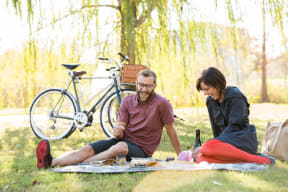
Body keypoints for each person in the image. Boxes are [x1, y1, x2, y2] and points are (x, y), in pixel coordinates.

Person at [36, 69, 182, 168]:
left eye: (148, 86)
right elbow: (120, 129)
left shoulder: (162, 104)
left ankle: (78, 164)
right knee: (88, 149)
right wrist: (117, 131)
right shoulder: (127, 101)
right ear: (136, 84)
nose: (144, 89)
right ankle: (50, 162)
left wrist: (180, 156)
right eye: (141, 85)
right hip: (122, 141)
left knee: (120, 147)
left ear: (154, 86)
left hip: (142, 150)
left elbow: (171, 131)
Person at [178, 67, 274, 164]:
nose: (205, 93)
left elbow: (235, 127)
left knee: (207, 147)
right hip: (224, 145)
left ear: (217, 85)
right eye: (203, 90)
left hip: (242, 141)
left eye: (207, 89)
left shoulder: (236, 96)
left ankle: (262, 160)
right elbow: (216, 130)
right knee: (201, 159)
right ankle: (241, 160)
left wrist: (212, 144)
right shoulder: (210, 101)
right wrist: (215, 146)